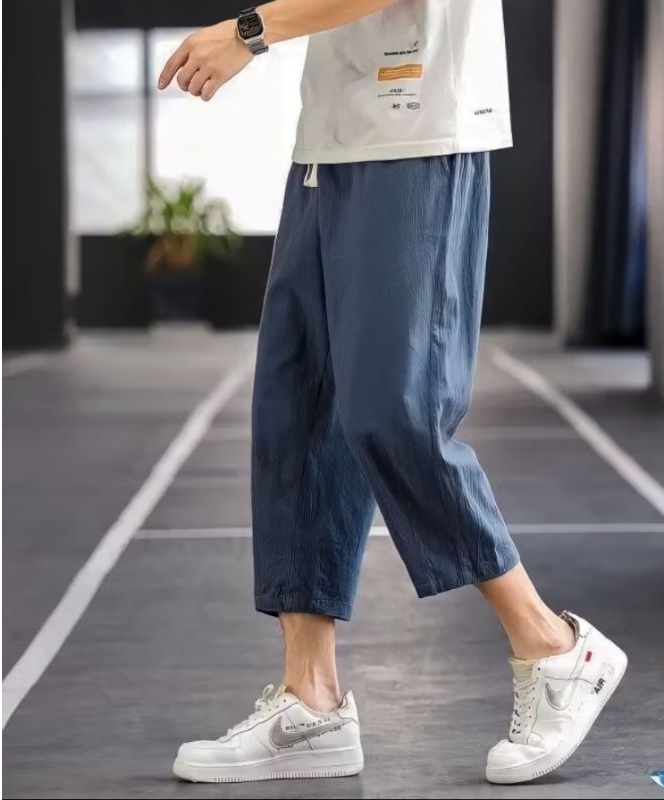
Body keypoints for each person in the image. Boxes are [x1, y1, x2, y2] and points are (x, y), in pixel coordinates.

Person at [160, 0, 627, 786]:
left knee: (394, 408)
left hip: (420, 134)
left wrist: (249, 32)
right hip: (331, 142)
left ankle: (553, 646)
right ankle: (310, 702)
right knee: (298, 410)